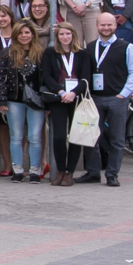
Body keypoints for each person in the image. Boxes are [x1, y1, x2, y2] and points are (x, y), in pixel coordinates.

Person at [78, 13, 133, 187]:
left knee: (117, 139)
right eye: (102, 25)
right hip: (95, 99)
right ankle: (92, 172)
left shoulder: (126, 47)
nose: (106, 28)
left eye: (109, 25)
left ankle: (112, 174)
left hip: (116, 99)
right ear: (97, 26)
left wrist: (124, 94)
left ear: (115, 26)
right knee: (90, 137)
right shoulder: (89, 48)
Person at [0, 23, 47, 183]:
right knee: (16, 136)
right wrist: (1, 99)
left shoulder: (41, 53)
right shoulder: (6, 53)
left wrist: (48, 101)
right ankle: (17, 170)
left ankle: (35, 171)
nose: (24, 36)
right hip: (13, 100)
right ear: (16, 36)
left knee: (35, 137)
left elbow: (47, 78)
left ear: (32, 35)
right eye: (20, 33)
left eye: (27, 32)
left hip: (36, 101)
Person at [42, 24, 91, 186]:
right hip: (59, 98)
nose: (65, 37)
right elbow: (47, 76)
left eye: (68, 34)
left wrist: (73, 93)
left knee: (75, 136)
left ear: (73, 35)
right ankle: (61, 170)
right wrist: (61, 92)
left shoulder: (83, 53)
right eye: (61, 34)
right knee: (59, 136)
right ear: (57, 37)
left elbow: (86, 78)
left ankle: (70, 172)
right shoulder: (50, 52)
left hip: (76, 98)